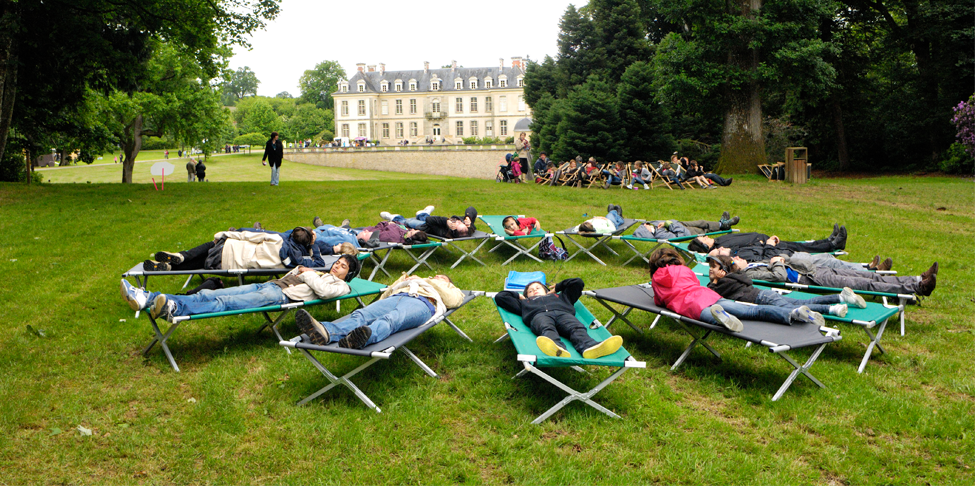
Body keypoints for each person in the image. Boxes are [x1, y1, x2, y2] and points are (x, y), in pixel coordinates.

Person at [121, 254, 361, 321]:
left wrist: (307, 273)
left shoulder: (340, 286)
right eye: (337, 264)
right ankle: (146, 297)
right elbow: (296, 275)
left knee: (223, 303)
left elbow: (324, 292)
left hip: (278, 295)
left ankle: (175, 308)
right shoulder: (321, 273)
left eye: (341, 267)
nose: (336, 267)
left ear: (347, 274)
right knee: (210, 292)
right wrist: (300, 271)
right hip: (268, 286)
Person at [647, 247, 827, 332]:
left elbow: (660, 300)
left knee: (709, 315)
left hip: (690, 305)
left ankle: (721, 318)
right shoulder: (685, 270)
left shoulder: (657, 279)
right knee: (753, 311)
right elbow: (693, 284)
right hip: (707, 295)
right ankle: (794, 314)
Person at [294, 273, 464, 349]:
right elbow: (390, 290)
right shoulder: (419, 279)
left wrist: (427, 281)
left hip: (423, 303)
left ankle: (359, 339)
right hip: (395, 296)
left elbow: (453, 300)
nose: (438, 277)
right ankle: (327, 332)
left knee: (391, 319)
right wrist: (405, 280)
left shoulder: (449, 288)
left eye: (442, 277)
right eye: (437, 276)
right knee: (362, 314)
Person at [495, 278, 623, 359]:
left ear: (546, 290)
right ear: (526, 295)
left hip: (563, 314)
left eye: (537, 288)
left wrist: (558, 287)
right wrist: (518, 296)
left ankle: (590, 347)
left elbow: (577, 282)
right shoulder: (524, 304)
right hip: (539, 316)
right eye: (530, 291)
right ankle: (556, 348)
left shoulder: (562, 297)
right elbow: (500, 297)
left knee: (576, 327)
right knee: (546, 328)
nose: (534, 291)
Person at [706, 255, 863, 318]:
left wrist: (716, 282)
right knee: (800, 303)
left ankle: (832, 309)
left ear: (723, 271)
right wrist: (715, 282)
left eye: (714, 267)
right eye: (710, 266)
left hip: (762, 298)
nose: (710, 269)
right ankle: (841, 297)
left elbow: (713, 296)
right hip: (765, 295)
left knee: (795, 309)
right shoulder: (731, 279)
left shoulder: (726, 282)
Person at [728, 252, 939, 297]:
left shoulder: (756, 263)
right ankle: (918, 288)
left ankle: (918, 279)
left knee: (870, 277)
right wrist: (777, 263)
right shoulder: (752, 273)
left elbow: (781, 257)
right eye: (734, 260)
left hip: (816, 270)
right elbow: (779, 277)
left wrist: (779, 258)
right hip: (812, 279)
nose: (737, 257)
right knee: (865, 285)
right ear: (735, 267)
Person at [142, 226, 326, 273]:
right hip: (227, 264)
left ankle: (181, 256)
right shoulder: (293, 262)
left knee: (211, 245)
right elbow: (318, 263)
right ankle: (172, 267)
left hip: (231, 248)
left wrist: (223, 233)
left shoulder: (276, 238)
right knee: (200, 263)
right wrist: (312, 246)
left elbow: (247, 234)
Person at [688, 225, 847, 263]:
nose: (706, 237)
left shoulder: (719, 241)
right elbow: (745, 247)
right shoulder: (722, 250)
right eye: (704, 240)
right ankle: (832, 245)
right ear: (705, 247)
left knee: (797, 244)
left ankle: (828, 241)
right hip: (764, 245)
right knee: (799, 247)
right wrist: (764, 242)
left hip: (763, 241)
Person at [311, 218, 429, 250]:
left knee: (344, 232)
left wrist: (387, 223)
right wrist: (391, 224)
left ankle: (327, 227)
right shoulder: (404, 231)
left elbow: (377, 231)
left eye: (412, 231)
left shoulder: (392, 236)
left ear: (410, 237)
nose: (410, 229)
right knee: (344, 231)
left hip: (366, 233)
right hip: (367, 231)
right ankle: (341, 227)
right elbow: (398, 223)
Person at [380, 205, 477, 239]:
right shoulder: (468, 228)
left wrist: (446, 221)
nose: (460, 221)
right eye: (462, 223)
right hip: (434, 222)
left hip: (426, 226)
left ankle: (394, 217)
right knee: (423, 217)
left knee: (409, 222)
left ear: (453, 229)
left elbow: (430, 220)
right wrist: (468, 217)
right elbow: (471, 208)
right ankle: (423, 213)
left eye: (459, 224)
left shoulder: (442, 231)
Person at [632, 212, 740, 240]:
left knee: (702, 222)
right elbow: (679, 235)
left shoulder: (655, 224)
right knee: (702, 230)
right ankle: (723, 224)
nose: (647, 224)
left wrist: (669, 223)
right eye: (645, 225)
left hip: (681, 224)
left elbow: (672, 221)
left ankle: (722, 223)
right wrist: (668, 224)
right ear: (646, 231)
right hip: (685, 232)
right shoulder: (660, 235)